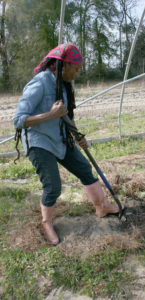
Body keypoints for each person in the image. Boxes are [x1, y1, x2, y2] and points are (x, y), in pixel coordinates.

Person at [14, 43, 120, 246]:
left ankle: (102, 206)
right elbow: (19, 119)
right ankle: (46, 223)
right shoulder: (40, 83)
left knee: (84, 168)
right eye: (76, 68)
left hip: (60, 138)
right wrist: (50, 115)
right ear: (63, 65)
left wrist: (77, 135)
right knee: (53, 186)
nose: (77, 73)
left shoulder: (63, 85)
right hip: (39, 142)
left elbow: (65, 115)